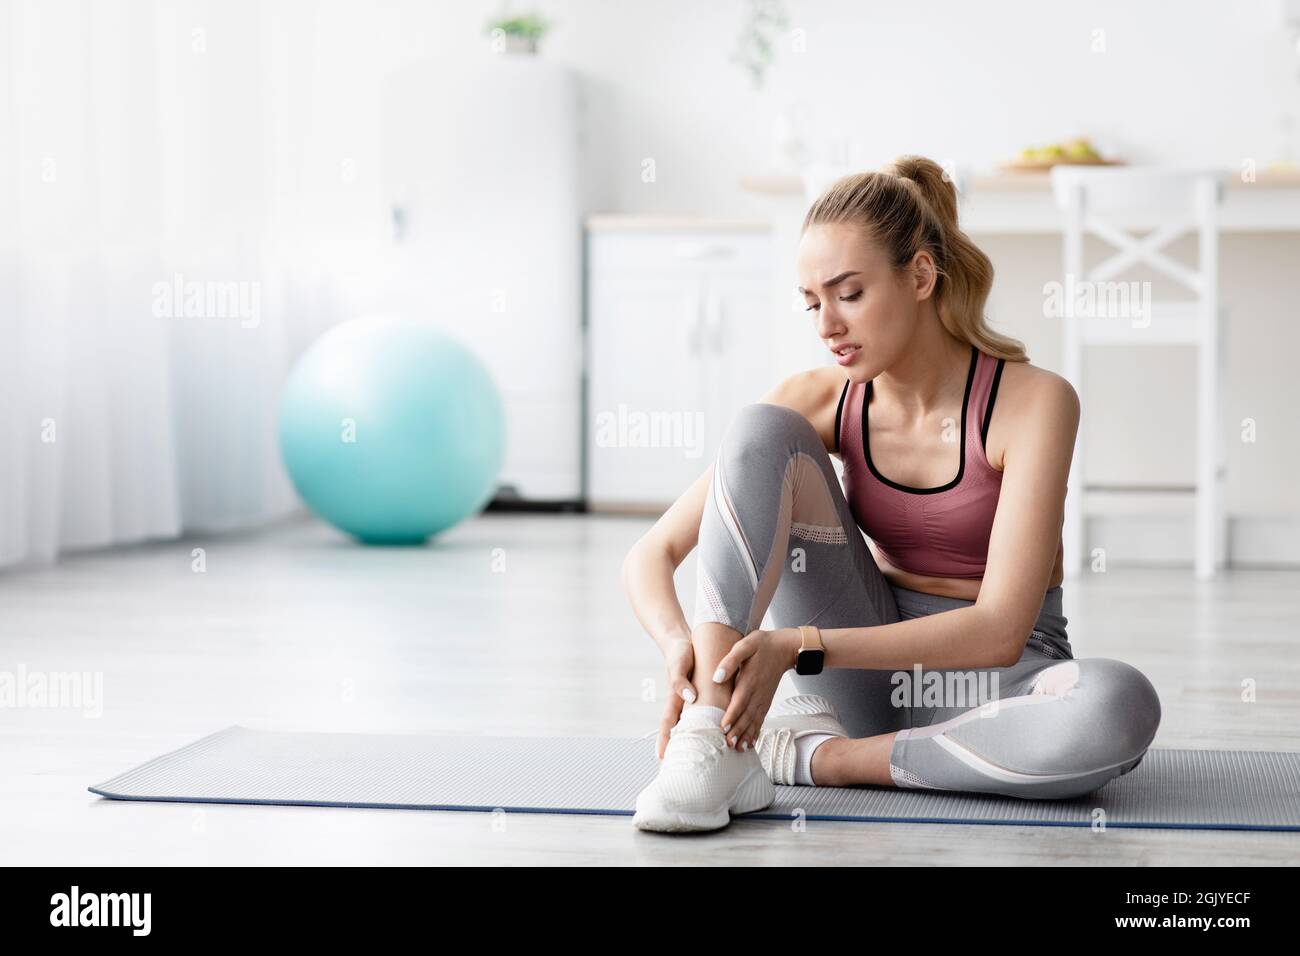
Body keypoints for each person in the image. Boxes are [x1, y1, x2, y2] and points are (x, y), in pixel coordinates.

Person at [621, 155, 1162, 833]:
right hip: (862, 677)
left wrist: (797, 646)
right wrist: (683, 650)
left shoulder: (1034, 403)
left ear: (920, 276)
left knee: (1118, 706)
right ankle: (709, 741)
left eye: (848, 294)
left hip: (995, 686)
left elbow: (999, 631)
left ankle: (824, 760)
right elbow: (649, 556)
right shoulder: (821, 400)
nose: (826, 325)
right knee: (763, 425)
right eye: (813, 302)